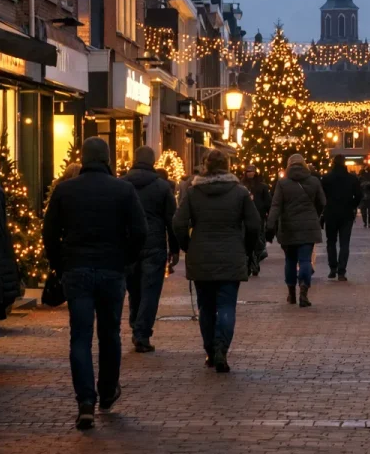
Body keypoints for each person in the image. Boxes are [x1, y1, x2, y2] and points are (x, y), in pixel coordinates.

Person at [43, 137, 148, 430]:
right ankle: (107, 391)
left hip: (76, 269)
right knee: (110, 334)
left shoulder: (65, 190)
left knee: (80, 335)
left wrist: (59, 263)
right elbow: (141, 231)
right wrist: (126, 258)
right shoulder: (123, 190)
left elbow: (49, 232)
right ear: (107, 159)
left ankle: (85, 401)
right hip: (112, 269)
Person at [173, 150, 260, 373]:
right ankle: (222, 348)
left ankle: (211, 351)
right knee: (226, 305)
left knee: (206, 307)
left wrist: (187, 245)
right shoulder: (240, 192)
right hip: (231, 253)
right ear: (227, 166)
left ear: (206, 167)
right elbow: (253, 225)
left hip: (201, 254)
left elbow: (179, 223)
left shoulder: (194, 192)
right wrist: (247, 248)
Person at [122, 146, 179, 354]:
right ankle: (142, 332)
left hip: (128, 245)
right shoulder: (162, 187)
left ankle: (136, 324)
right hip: (154, 244)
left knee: (134, 288)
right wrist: (174, 249)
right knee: (150, 291)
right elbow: (171, 220)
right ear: (153, 161)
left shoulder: (121, 184)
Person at [266, 154, 326, 307]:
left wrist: (270, 225)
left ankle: (291, 292)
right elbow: (322, 202)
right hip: (309, 226)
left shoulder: (282, 183)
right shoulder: (314, 181)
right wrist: (315, 215)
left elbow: (276, 206)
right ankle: (304, 290)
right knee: (305, 259)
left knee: (290, 260)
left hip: (288, 227)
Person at [321, 155, 361, 281]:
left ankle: (333, 268)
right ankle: (341, 271)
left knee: (331, 241)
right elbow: (359, 195)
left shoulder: (326, 178)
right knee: (344, 243)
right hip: (346, 214)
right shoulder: (352, 178)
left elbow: (321, 197)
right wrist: (353, 205)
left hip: (331, 213)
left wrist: (325, 208)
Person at [242, 165, 272, 274]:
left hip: (259, 216)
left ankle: (255, 261)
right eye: (248, 171)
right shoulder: (241, 186)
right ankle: (250, 262)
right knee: (247, 241)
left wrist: (268, 213)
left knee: (258, 240)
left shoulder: (262, 186)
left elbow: (268, 202)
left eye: (251, 171)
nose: (250, 173)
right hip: (245, 218)